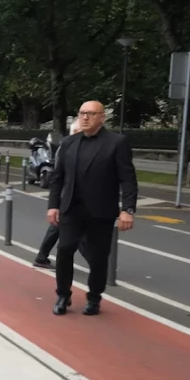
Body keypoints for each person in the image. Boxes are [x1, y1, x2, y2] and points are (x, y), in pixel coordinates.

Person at [46, 100, 138, 316]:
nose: (85, 118)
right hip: (71, 209)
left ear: (102, 117)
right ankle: (62, 295)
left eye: (91, 114)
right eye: (82, 113)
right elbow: (58, 178)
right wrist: (53, 206)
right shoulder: (69, 143)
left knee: (98, 257)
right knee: (65, 249)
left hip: (101, 211)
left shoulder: (116, 142)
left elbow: (128, 179)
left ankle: (94, 297)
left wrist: (128, 209)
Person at [33, 118, 88, 268]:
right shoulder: (68, 148)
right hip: (67, 197)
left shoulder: (69, 146)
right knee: (80, 234)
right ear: (76, 132)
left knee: (59, 229)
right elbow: (60, 177)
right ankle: (97, 264)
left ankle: (41, 257)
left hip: (66, 198)